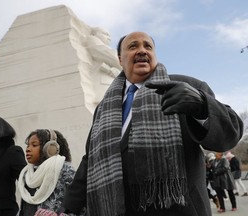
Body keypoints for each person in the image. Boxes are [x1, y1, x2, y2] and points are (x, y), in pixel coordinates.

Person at [63, 31, 243, 216]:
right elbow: (90, 159)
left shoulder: (185, 86)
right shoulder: (103, 108)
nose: (142, 50)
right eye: (133, 46)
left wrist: (202, 106)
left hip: (181, 210)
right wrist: (69, 207)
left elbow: (230, 136)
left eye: (148, 46)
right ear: (119, 59)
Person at [18, 129, 78, 216]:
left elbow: (80, 205)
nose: (28, 149)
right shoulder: (27, 176)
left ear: (50, 148)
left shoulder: (65, 169)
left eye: (34, 145)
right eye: (28, 145)